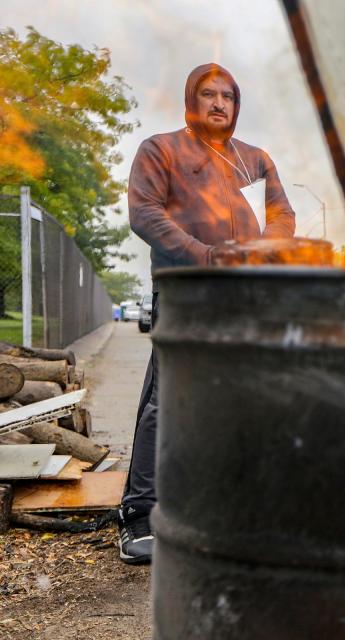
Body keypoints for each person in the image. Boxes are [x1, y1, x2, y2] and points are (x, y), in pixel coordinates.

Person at [119, 63, 296, 564]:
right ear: (190, 101)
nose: (219, 103)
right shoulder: (163, 150)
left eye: (227, 96)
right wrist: (205, 255)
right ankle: (140, 514)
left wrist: (261, 254)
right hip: (186, 289)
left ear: (237, 106)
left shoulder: (254, 161)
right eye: (208, 94)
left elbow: (283, 214)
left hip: (244, 296)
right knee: (167, 398)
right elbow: (144, 211)